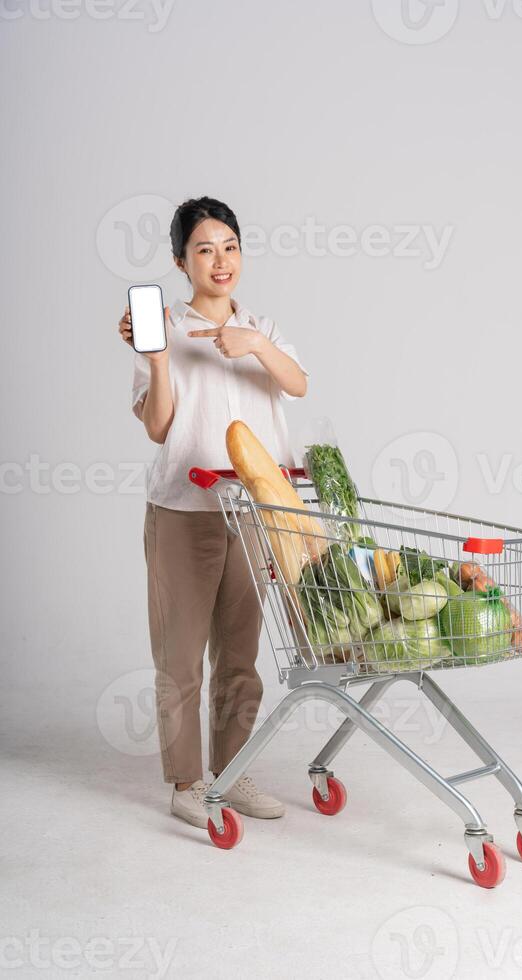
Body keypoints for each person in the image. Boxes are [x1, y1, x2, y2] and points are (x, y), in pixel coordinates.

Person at [117, 196, 308, 827]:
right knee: (180, 653)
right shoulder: (162, 328)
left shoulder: (260, 326)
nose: (220, 260)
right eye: (204, 249)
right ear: (181, 261)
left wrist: (252, 343)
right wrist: (158, 359)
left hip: (253, 514)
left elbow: (297, 382)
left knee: (240, 655)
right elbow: (158, 425)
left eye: (229, 246)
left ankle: (234, 769)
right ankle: (187, 783)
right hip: (183, 509)